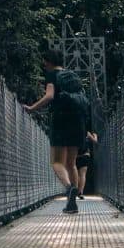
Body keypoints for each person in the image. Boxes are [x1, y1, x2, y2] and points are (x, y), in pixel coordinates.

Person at [23, 48, 88, 215]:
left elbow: (50, 96)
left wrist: (32, 108)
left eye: (45, 61)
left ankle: (69, 189)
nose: (44, 64)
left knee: (57, 162)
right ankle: (72, 204)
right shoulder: (72, 76)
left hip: (60, 121)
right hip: (77, 122)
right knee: (71, 164)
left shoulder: (52, 75)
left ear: (49, 61)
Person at [75, 131, 98, 198]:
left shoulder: (71, 130)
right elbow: (95, 141)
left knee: (75, 173)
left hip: (75, 155)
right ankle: (80, 192)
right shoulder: (86, 132)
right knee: (83, 174)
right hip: (85, 155)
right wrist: (95, 135)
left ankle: (75, 190)